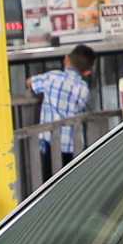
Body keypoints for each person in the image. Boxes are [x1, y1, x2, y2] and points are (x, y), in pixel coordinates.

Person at [28, 45, 96, 182]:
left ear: (66, 59)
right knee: (70, 184)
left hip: (50, 143)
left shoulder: (52, 77)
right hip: (73, 146)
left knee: (49, 183)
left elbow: (30, 82)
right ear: (87, 72)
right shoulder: (83, 88)